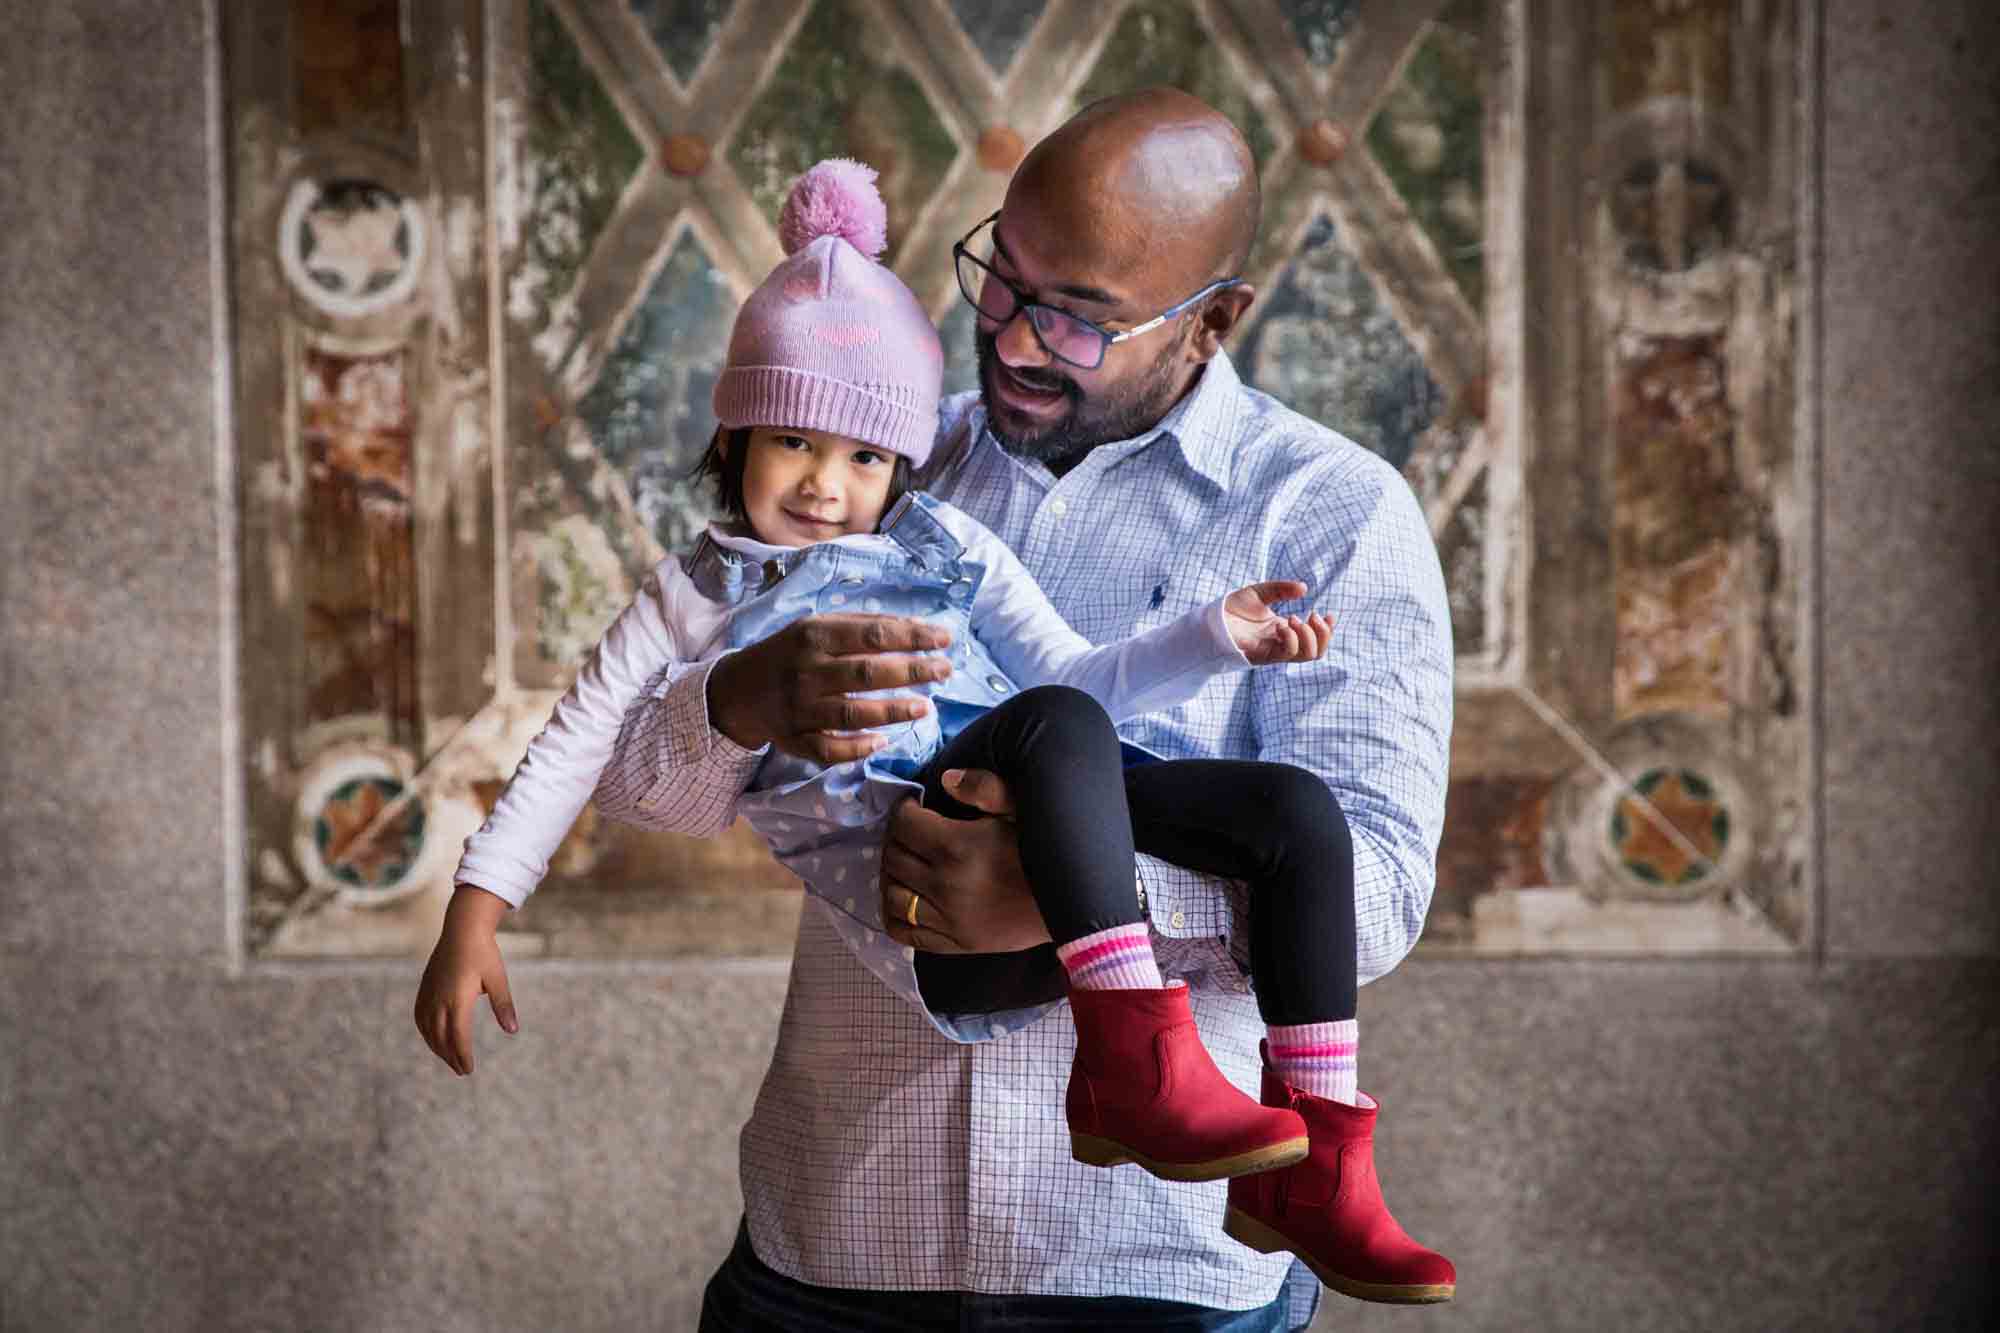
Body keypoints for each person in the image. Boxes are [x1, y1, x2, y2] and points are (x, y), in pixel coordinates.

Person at [430, 87, 1456, 1329]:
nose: (1016, 341)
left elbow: (1380, 890)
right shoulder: (873, 455)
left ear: (1211, 321)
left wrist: (1070, 895)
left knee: (1236, 797)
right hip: (841, 1234)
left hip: (1151, 1268)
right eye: (1002, 281)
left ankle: (1300, 1154)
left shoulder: (1330, 517)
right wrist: (740, 700)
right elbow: (646, 791)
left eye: (1077, 319)